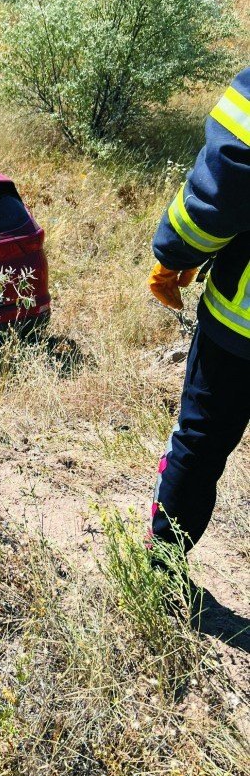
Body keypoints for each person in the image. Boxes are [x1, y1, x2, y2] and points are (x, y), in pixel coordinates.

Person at [148, 67, 250, 555]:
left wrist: (175, 254)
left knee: (200, 443)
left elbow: (225, 182)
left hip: (241, 328)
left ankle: (162, 566)